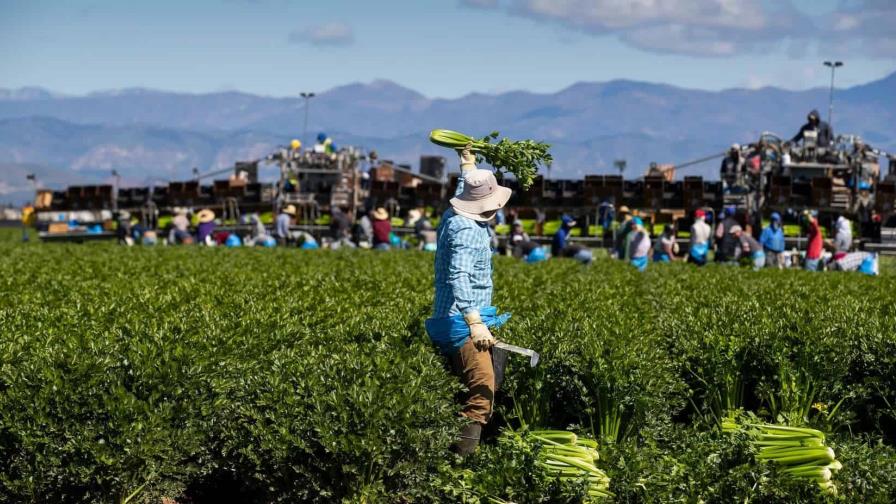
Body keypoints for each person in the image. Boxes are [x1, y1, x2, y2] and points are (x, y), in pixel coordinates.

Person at [424, 145, 512, 456]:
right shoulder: (466, 232)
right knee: (483, 390)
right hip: (459, 322)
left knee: (481, 379)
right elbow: (457, 277)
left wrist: (468, 166)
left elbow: (466, 193)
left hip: (457, 317)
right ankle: (459, 465)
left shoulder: (454, 215)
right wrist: (474, 322)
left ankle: (448, 444)